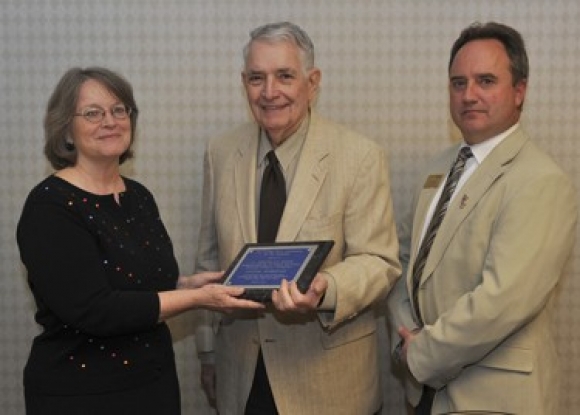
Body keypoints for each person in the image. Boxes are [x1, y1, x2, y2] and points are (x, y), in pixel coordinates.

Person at [16, 67, 264, 415]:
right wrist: (196, 299)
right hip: (82, 396)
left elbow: (138, 283)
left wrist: (189, 283)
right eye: (93, 113)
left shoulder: (138, 197)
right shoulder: (50, 207)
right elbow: (96, 309)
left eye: (120, 110)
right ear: (66, 129)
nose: (110, 121)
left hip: (153, 386)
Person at [194, 21, 401, 415]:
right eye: (257, 78)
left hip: (329, 384)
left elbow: (380, 261)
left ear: (313, 81)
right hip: (242, 375)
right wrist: (207, 354)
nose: (270, 92)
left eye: (284, 76)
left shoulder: (359, 155)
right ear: (244, 83)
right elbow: (208, 259)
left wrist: (327, 288)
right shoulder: (220, 153)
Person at [387, 21, 578, 415]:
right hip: (423, 391)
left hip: (493, 397)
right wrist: (406, 337)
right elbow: (403, 262)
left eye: (486, 81)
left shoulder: (541, 180)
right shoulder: (437, 168)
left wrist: (422, 353)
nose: (469, 95)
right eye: (458, 83)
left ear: (519, 91)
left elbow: (502, 301)